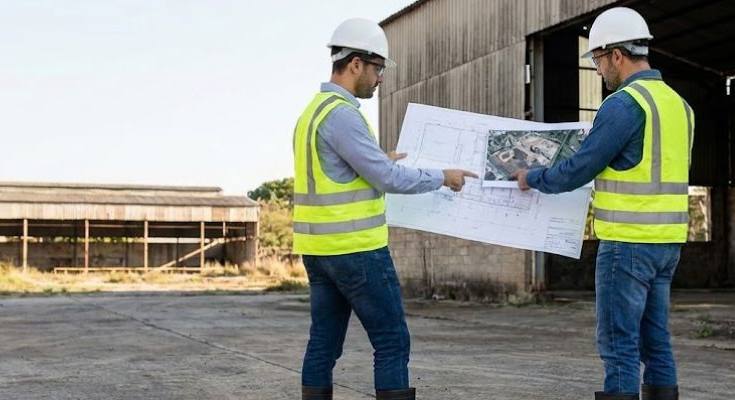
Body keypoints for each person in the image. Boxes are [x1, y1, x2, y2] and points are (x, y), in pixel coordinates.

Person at [512, 7, 694, 400]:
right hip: (668, 245)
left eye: (597, 60)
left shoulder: (625, 105)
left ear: (616, 55)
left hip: (627, 246)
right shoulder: (681, 107)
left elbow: (580, 167)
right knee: (657, 344)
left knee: (619, 347)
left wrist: (533, 177)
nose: (597, 71)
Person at [293, 17, 477, 400]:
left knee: (323, 344)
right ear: (356, 63)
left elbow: (336, 173)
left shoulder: (313, 112)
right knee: (392, 341)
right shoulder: (344, 114)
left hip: (318, 252)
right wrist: (442, 176)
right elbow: (388, 179)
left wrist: (378, 158)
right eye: (377, 69)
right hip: (356, 250)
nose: (380, 78)